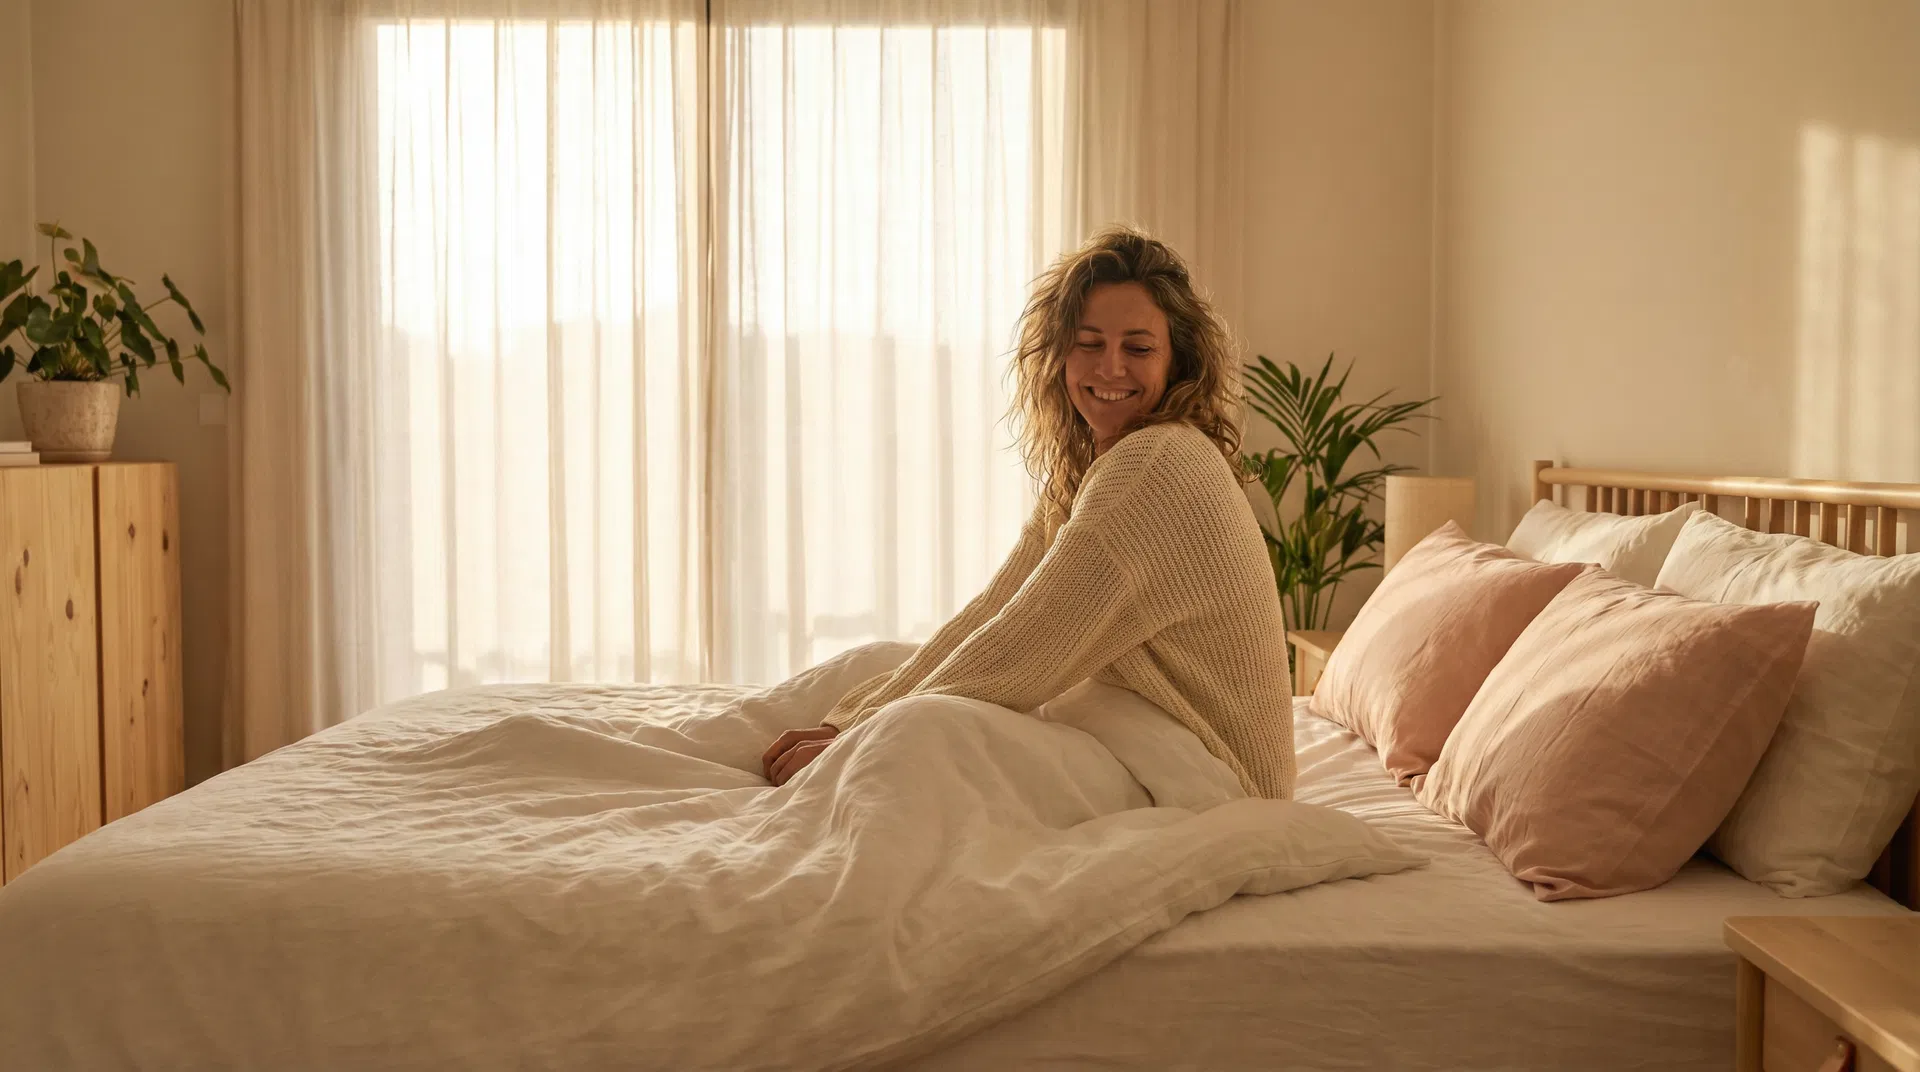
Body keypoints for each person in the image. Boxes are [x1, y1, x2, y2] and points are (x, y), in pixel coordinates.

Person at [762, 226, 1294, 799]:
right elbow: (999, 608)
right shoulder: (1098, 465)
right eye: (1088, 343)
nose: (1110, 367)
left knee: (926, 725)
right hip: (1155, 737)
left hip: (1212, 773)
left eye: (1138, 349)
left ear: (1176, 362)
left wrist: (860, 737)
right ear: (1060, 354)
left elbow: (1029, 643)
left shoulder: (1157, 463)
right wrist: (847, 721)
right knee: (881, 664)